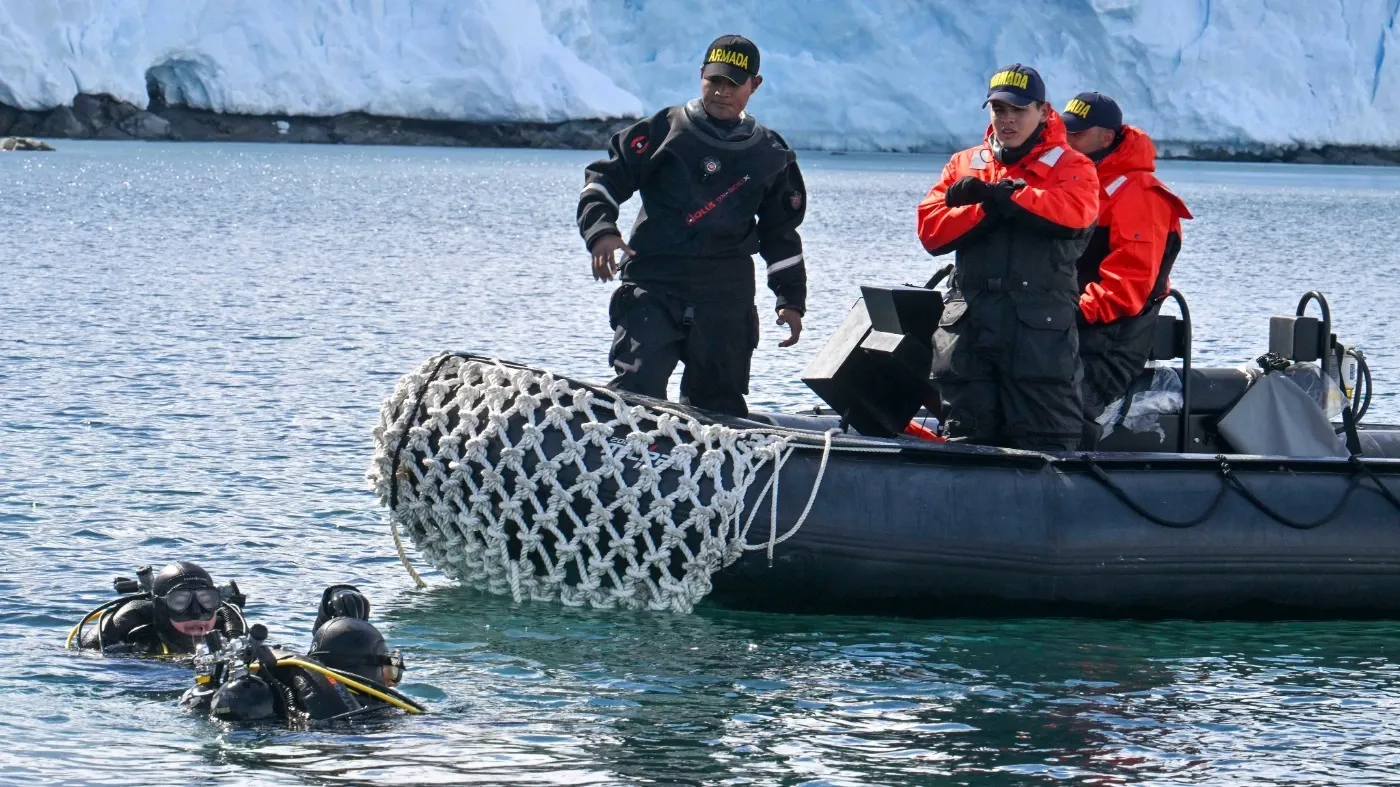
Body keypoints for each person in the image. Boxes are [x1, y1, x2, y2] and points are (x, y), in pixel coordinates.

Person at [577, 34, 808, 418]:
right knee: (634, 398)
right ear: (701, 75)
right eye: (714, 80)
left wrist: (790, 300)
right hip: (653, 289)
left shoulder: (770, 154)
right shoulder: (661, 131)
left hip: (725, 301)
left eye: (733, 84)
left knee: (720, 409)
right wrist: (601, 232)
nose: (721, 92)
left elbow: (780, 235)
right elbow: (602, 183)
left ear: (755, 85)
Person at [916, 64, 1100, 451]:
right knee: (965, 438)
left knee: (1048, 441)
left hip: (1037, 330)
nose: (1008, 119)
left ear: (1044, 112)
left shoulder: (1073, 165)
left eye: (1018, 110)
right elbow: (931, 230)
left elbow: (1074, 213)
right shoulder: (964, 163)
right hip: (970, 325)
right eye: (999, 110)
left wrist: (1008, 196)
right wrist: (985, 209)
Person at [1061, 92, 1193, 445]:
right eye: (1064, 130)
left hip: (1111, 341)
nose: (1066, 139)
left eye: (1077, 133)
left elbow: (1126, 287)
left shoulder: (1138, 193)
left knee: (1061, 413)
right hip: (1068, 332)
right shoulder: (1080, 186)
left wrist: (1061, 313)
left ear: (1106, 137)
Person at [190, 617, 419, 723]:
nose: (390, 683)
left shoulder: (284, 693)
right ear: (370, 666)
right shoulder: (377, 715)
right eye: (390, 672)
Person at [69, 561, 247, 656]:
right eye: (180, 602)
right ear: (162, 607)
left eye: (206, 600)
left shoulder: (228, 635)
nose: (197, 613)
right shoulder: (138, 645)